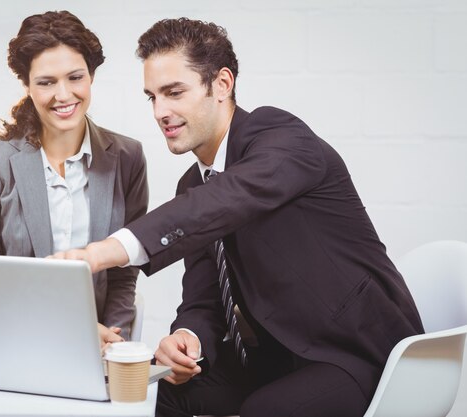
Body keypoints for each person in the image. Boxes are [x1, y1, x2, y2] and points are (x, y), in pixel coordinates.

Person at [52, 17, 424, 417]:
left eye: (174, 92)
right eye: (152, 97)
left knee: (265, 410)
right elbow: (205, 297)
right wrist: (187, 336)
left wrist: (105, 251)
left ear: (222, 85)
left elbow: (227, 198)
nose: (161, 111)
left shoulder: (281, 137)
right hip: (274, 357)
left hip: (358, 353)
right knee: (153, 391)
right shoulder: (192, 184)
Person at [0, 11, 148, 346]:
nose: (63, 95)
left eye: (75, 77)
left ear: (91, 76)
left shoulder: (128, 157)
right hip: (11, 338)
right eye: (46, 82)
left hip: (102, 343)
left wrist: (117, 344)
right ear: (27, 86)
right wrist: (72, 334)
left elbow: (123, 272)